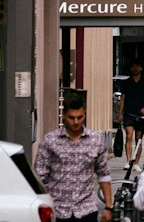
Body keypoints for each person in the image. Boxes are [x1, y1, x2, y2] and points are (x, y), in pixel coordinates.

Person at [35, 93, 111, 222]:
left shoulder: (96, 140)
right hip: (58, 211)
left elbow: (103, 174)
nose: (76, 122)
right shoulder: (50, 140)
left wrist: (109, 207)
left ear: (85, 114)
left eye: (80, 117)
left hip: (87, 210)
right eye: (71, 118)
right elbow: (39, 176)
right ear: (63, 115)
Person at [117, 63, 144, 165]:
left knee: (139, 139)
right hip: (128, 112)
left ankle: (136, 163)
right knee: (129, 136)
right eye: (133, 66)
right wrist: (120, 114)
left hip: (141, 114)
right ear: (130, 68)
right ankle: (128, 161)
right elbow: (122, 99)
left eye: (137, 66)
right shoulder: (126, 83)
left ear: (141, 68)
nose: (135, 68)